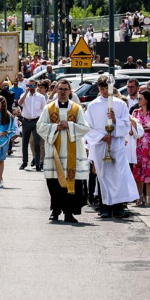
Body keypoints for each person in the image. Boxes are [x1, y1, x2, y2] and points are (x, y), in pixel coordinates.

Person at [35, 78, 89, 223]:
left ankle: (69, 213)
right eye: (61, 89)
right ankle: (55, 210)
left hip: (72, 153)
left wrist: (70, 125)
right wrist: (55, 127)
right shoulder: (49, 108)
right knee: (54, 182)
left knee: (71, 183)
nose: (63, 92)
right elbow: (40, 127)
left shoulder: (76, 109)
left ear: (70, 92)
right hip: (54, 153)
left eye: (66, 89)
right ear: (56, 91)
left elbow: (85, 128)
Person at [85, 75, 139, 219]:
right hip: (100, 144)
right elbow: (87, 127)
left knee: (118, 175)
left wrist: (115, 120)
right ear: (98, 88)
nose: (104, 91)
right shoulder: (93, 105)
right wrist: (102, 136)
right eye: (101, 88)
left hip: (116, 144)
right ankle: (105, 207)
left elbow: (127, 124)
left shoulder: (120, 104)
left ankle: (119, 207)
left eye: (106, 88)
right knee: (103, 175)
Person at [17, 79, 47, 171]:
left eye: (33, 86)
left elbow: (44, 110)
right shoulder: (24, 95)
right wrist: (26, 93)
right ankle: (24, 162)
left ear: (36, 86)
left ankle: (38, 163)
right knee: (25, 142)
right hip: (26, 121)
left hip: (36, 121)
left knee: (37, 143)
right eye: (29, 86)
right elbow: (19, 103)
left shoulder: (41, 97)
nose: (31, 88)